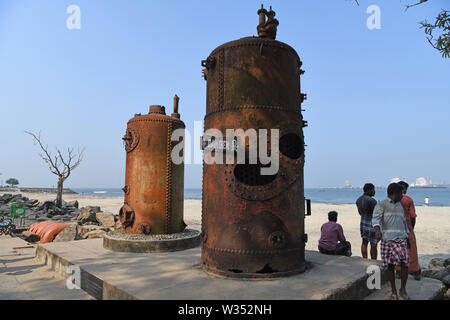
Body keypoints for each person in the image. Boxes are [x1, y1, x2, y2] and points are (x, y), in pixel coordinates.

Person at [373, 183, 410, 300]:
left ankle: (403, 289)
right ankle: (393, 291)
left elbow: (404, 222)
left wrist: (407, 237)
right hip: (388, 241)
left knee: (405, 265)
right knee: (390, 266)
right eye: (400, 193)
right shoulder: (381, 204)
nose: (402, 196)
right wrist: (377, 231)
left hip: (402, 240)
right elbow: (375, 220)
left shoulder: (400, 205)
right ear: (393, 194)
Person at [397, 181, 421, 280]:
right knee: (411, 249)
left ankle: (398, 270)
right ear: (404, 189)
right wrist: (411, 229)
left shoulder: (391, 200)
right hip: (407, 227)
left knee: (397, 249)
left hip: (395, 228)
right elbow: (412, 216)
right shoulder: (408, 199)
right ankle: (414, 271)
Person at [356, 183, 378, 259]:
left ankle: (364, 259)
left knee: (364, 242)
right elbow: (377, 214)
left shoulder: (358, 199)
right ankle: (373, 261)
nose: (374, 191)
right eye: (373, 190)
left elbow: (360, 212)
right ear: (369, 190)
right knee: (373, 244)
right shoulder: (372, 200)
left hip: (363, 222)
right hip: (372, 223)